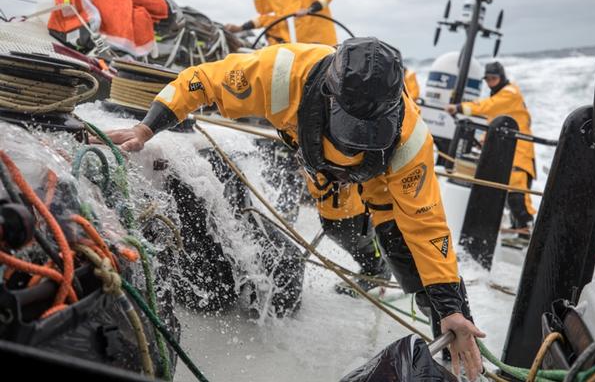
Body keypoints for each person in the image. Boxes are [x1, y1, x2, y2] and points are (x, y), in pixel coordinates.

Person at [101, 37, 485, 379]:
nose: (356, 142)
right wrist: (146, 129)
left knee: (405, 245)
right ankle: (370, 262)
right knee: (342, 229)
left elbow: (428, 228)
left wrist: (451, 309)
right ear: (329, 97)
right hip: (322, 173)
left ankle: (441, 325)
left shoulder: (411, 141)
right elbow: (203, 79)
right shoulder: (280, 73)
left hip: (382, 179)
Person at [446, 61, 536, 245]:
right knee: (508, 190)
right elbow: (494, 119)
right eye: (487, 79)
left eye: (493, 78)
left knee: (517, 190)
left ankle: (526, 229)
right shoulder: (500, 94)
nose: (490, 83)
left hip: (521, 150)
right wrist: (485, 140)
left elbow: (488, 107)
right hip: (509, 149)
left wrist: (460, 108)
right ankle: (519, 229)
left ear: (501, 77)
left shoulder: (509, 93)